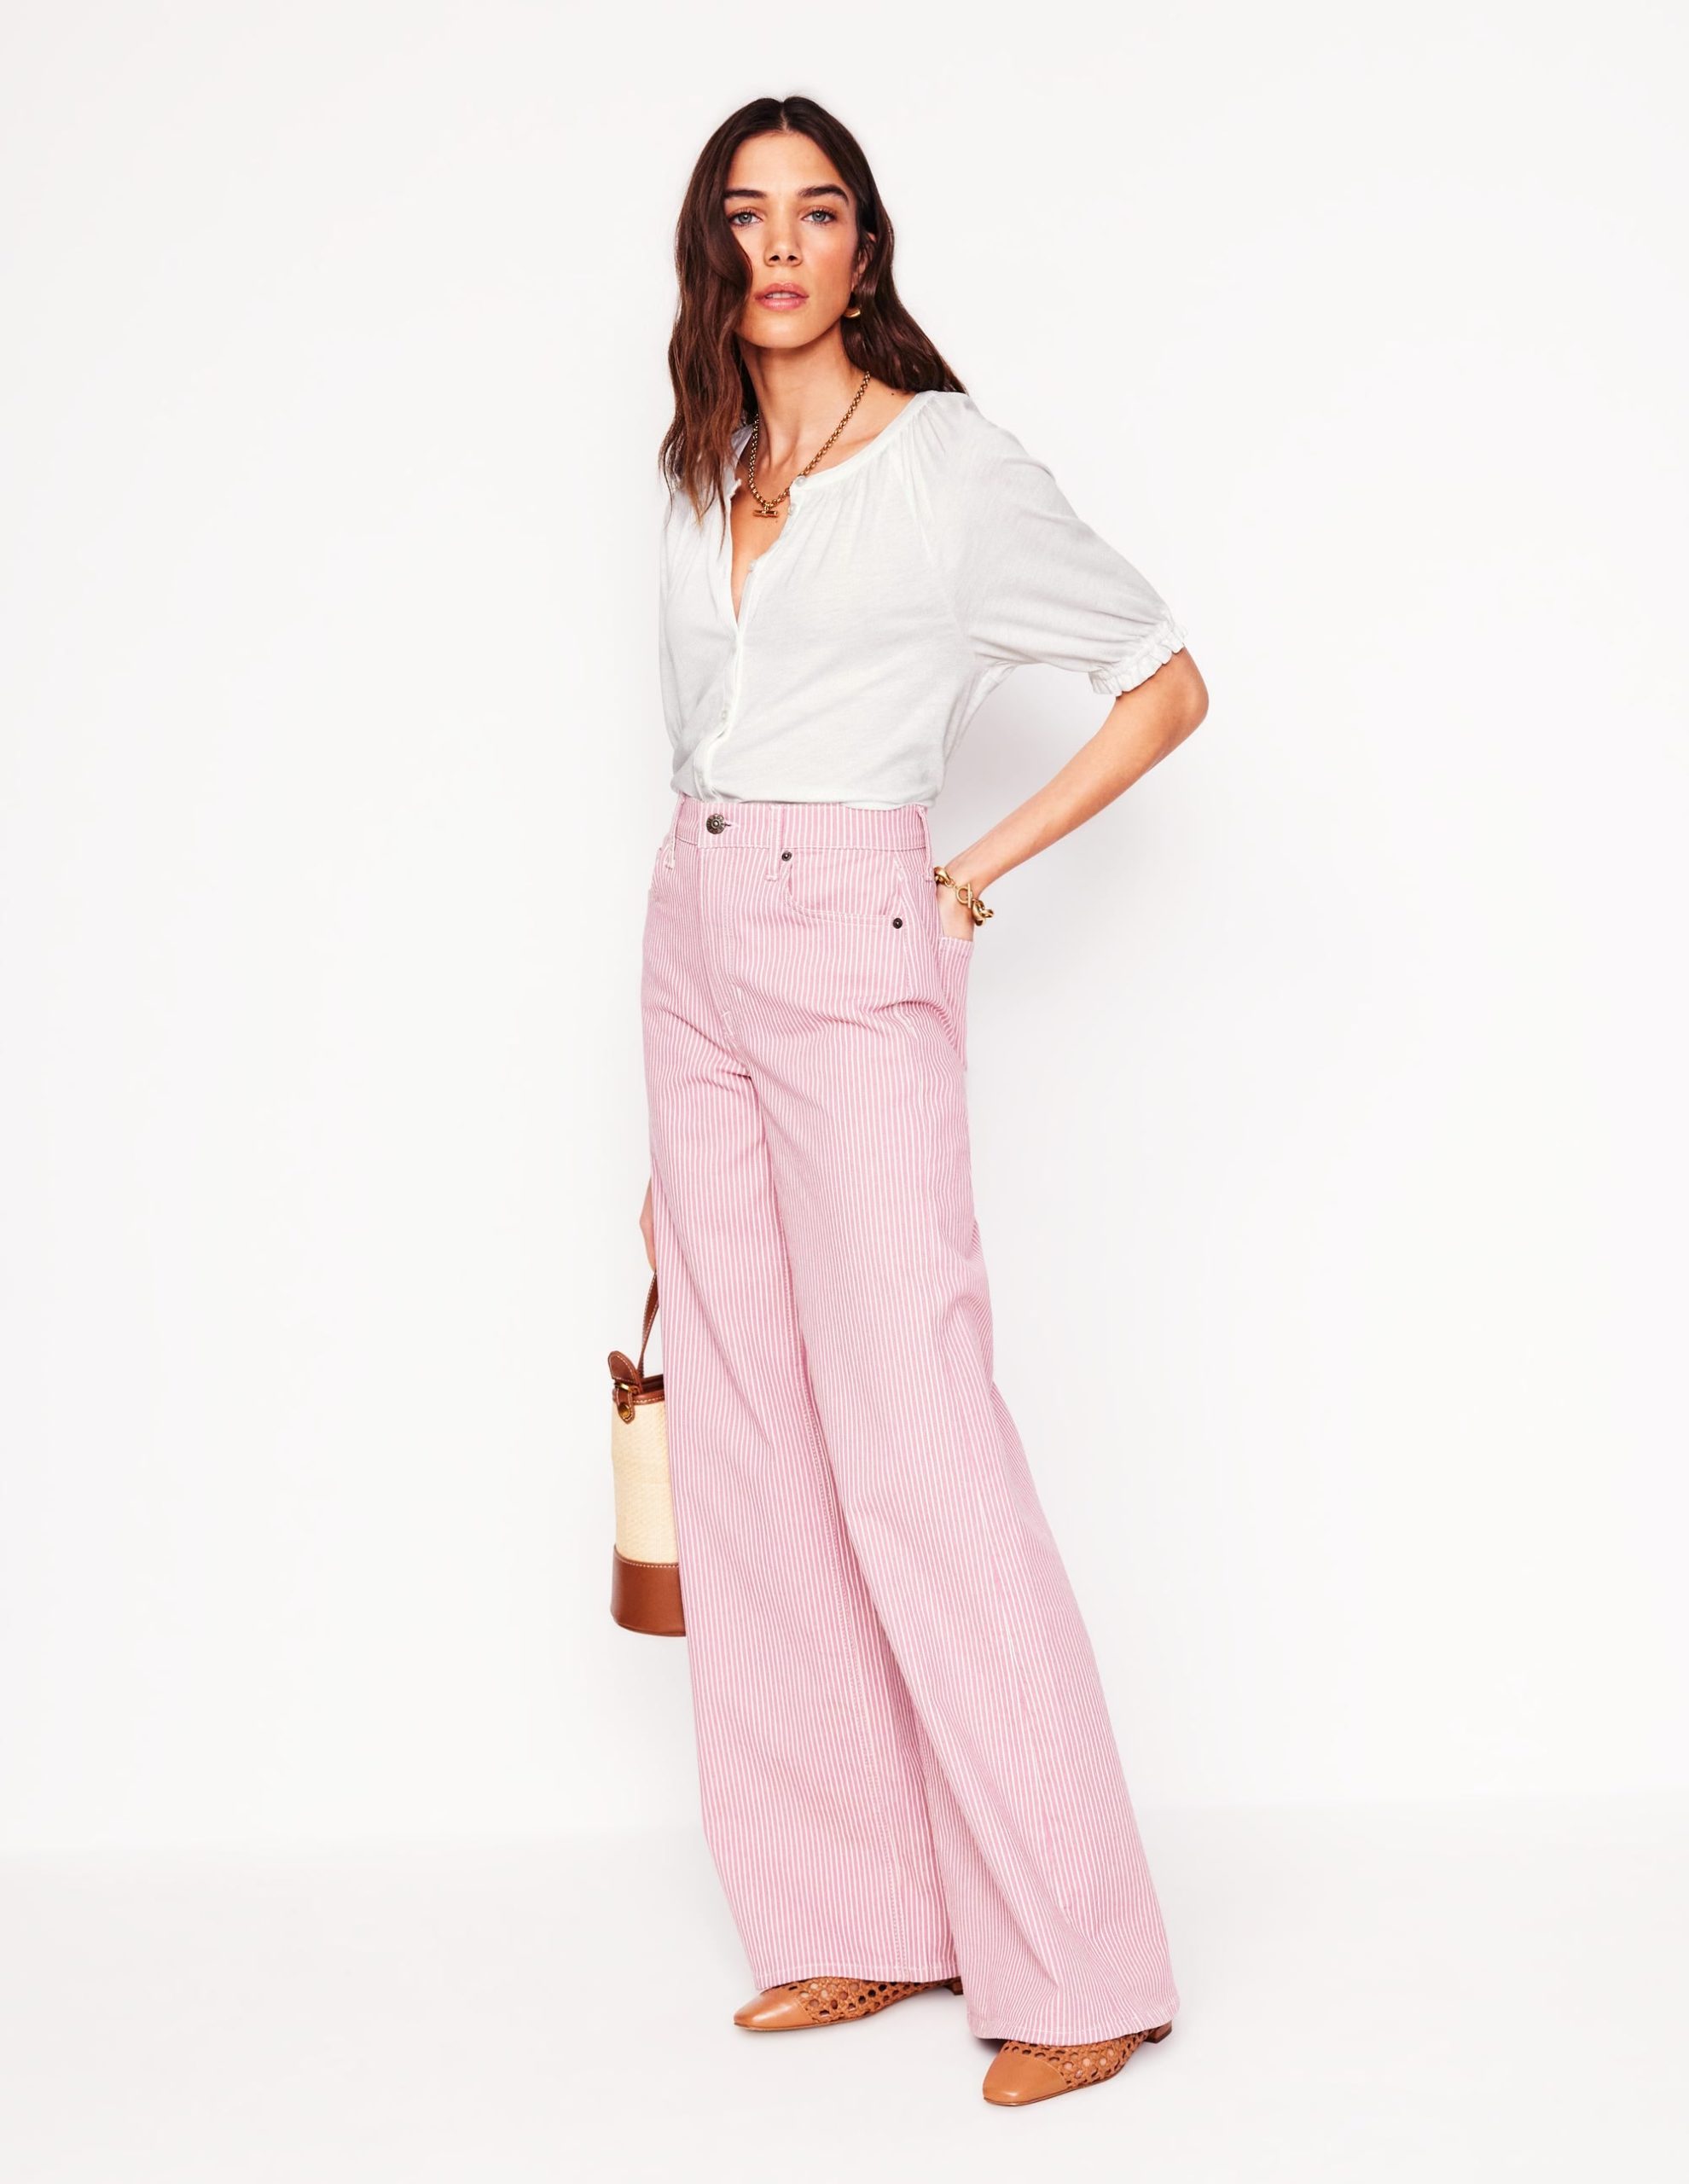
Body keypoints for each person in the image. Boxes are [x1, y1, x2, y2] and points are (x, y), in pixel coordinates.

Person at [636, 93, 1208, 2110]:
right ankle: (858, 1910)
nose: (781, 246)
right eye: (746, 214)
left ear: (865, 249)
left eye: (817, 213)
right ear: (715, 251)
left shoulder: (948, 467)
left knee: (918, 1440)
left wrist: (969, 871)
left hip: (852, 927)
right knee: (752, 1440)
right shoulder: (703, 463)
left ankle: (1083, 1957)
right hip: (693, 933)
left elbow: (1163, 676)